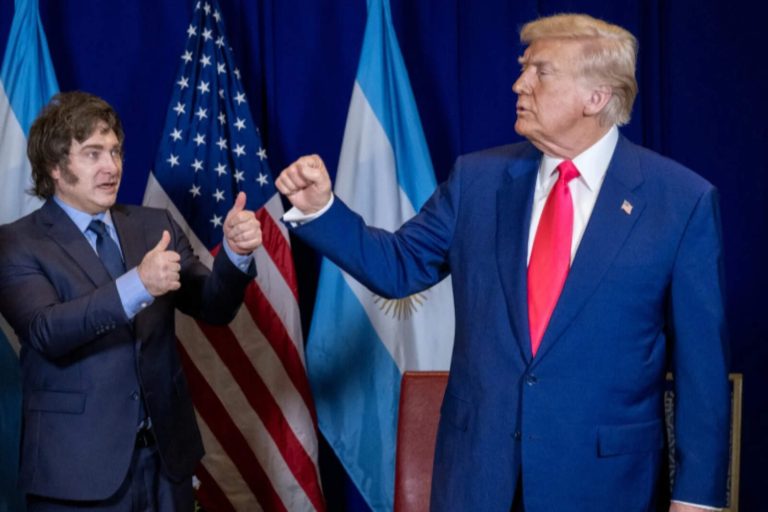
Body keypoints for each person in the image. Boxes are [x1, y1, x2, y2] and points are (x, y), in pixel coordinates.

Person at [276, 13, 730, 512]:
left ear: (596, 97)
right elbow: (398, 266)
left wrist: (697, 498)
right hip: (478, 479)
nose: (519, 83)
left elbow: (701, 373)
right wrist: (322, 209)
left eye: (541, 71)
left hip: (605, 485)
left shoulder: (679, 202)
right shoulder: (477, 180)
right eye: (522, 67)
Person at [0, 91, 262, 511]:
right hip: (77, 472)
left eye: (115, 151)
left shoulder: (153, 225)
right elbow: (46, 330)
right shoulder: (17, 242)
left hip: (167, 465)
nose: (112, 166)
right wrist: (138, 284)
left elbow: (213, 306)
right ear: (55, 167)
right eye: (93, 154)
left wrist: (235, 254)